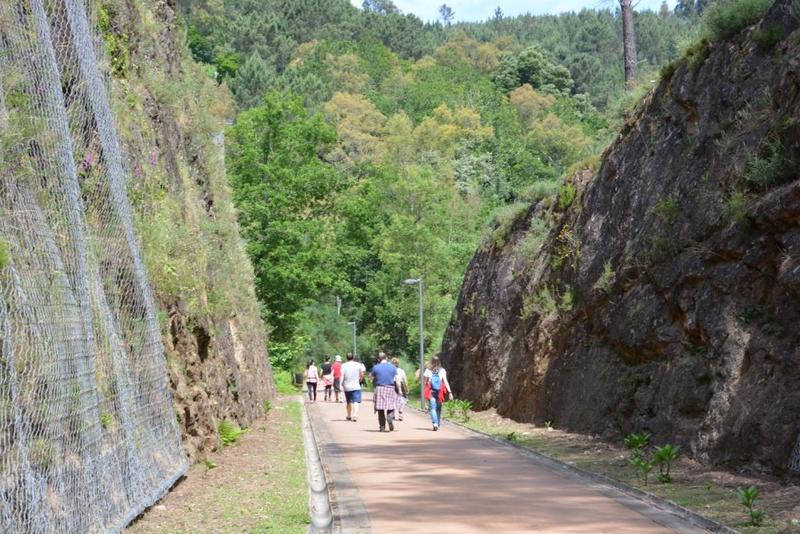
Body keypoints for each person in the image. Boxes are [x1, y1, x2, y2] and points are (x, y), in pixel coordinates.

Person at [423, 355, 452, 431]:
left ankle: (435, 423)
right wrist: (450, 392)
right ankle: (438, 424)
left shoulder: (428, 370)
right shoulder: (442, 370)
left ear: (431, 362)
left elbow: (425, 382)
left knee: (433, 408)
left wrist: (426, 385)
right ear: (439, 362)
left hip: (431, 391)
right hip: (440, 392)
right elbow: (445, 381)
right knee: (438, 409)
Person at [371, 352, 398, 432]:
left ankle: (382, 426)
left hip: (380, 388)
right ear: (386, 358)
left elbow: (372, 378)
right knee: (390, 405)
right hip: (390, 387)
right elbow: (395, 378)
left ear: (379, 359)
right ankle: (390, 418)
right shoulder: (393, 367)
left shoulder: (376, 367)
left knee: (380, 408)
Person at [341, 352, 364, 422]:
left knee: (348, 402)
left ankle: (348, 415)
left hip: (347, 386)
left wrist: (340, 384)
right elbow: (362, 374)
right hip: (356, 386)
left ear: (346, 358)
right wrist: (360, 380)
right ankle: (355, 414)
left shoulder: (343, 365)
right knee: (356, 401)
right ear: (353, 357)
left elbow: (342, 376)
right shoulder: (358, 365)